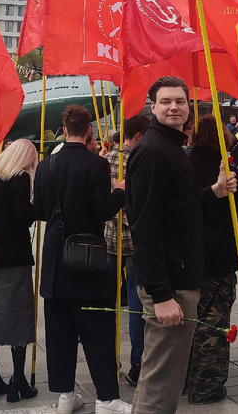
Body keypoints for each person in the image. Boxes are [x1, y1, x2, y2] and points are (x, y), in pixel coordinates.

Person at [127, 78, 235, 414]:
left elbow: (180, 211)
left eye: (180, 101)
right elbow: (144, 227)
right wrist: (161, 294)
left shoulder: (173, 148)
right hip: (170, 284)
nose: (174, 107)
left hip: (182, 277)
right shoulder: (152, 151)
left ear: (189, 107)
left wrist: (214, 191)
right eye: (165, 101)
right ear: (153, 107)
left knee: (165, 376)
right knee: (162, 380)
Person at [35, 105, 127, 414]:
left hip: (55, 262)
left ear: (63, 130)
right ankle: (107, 399)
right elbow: (103, 210)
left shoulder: (46, 166)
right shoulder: (97, 165)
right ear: (88, 130)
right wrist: (120, 193)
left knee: (59, 333)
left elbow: (39, 210)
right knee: (98, 332)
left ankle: (65, 395)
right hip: (88, 261)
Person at [185, 115, 238, 404]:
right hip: (221, 256)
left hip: (190, 258)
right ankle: (206, 385)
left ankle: (184, 379)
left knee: (188, 321)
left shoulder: (185, 164)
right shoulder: (227, 168)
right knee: (214, 323)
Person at [0, 138, 40, 403]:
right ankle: (19, 380)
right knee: (19, 318)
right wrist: (38, 207)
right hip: (14, 255)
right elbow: (21, 217)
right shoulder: (20, 178)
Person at [104, 113, 150, 387]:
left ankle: (109, 360)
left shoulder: (106, 158)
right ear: (139, 136)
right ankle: (137, 363)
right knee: (136, 305)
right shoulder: (141, 159)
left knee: (108, 304)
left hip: (110, 238)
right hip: (135, 241)